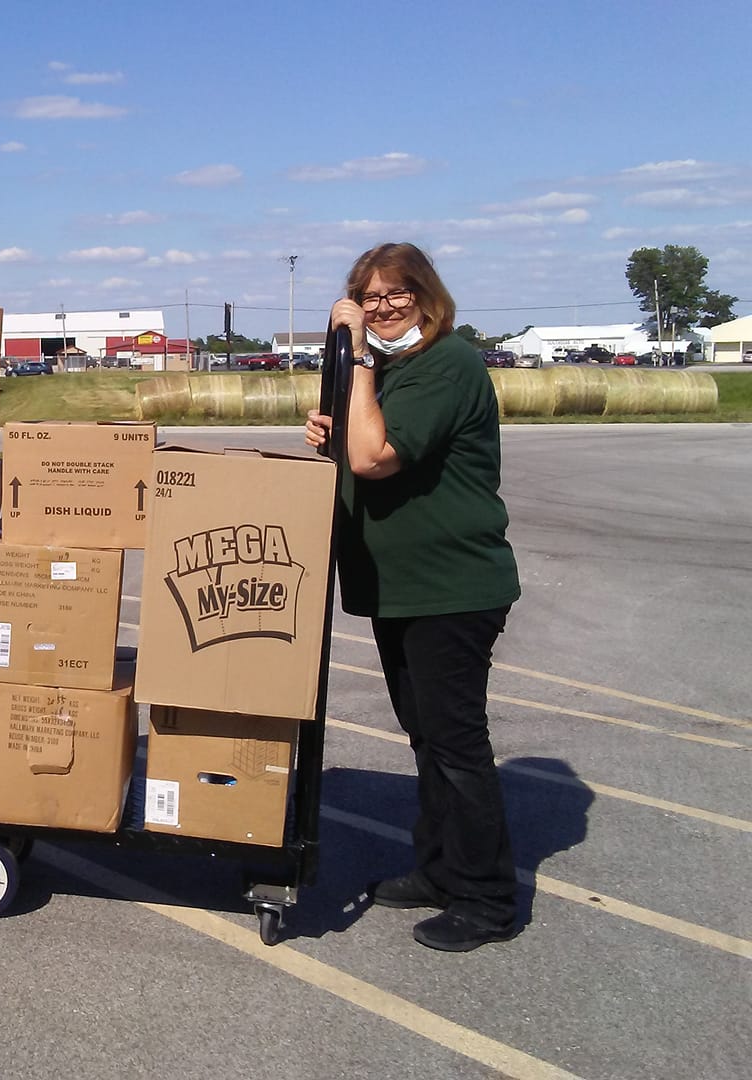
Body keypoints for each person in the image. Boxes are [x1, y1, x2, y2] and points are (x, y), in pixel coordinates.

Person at [304, 242, 521, 952]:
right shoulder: (397, 370)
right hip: (401, 589)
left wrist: (360, 364)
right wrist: (330, 430)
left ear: (426, 294)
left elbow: (375, 458)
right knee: (427, 736)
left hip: (450, 586)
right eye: (368, 297)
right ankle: (440, 869)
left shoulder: (445, 362)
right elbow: (357, 448)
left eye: (396, 293)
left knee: (456, 745)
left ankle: (486, 899)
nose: (382, 307)